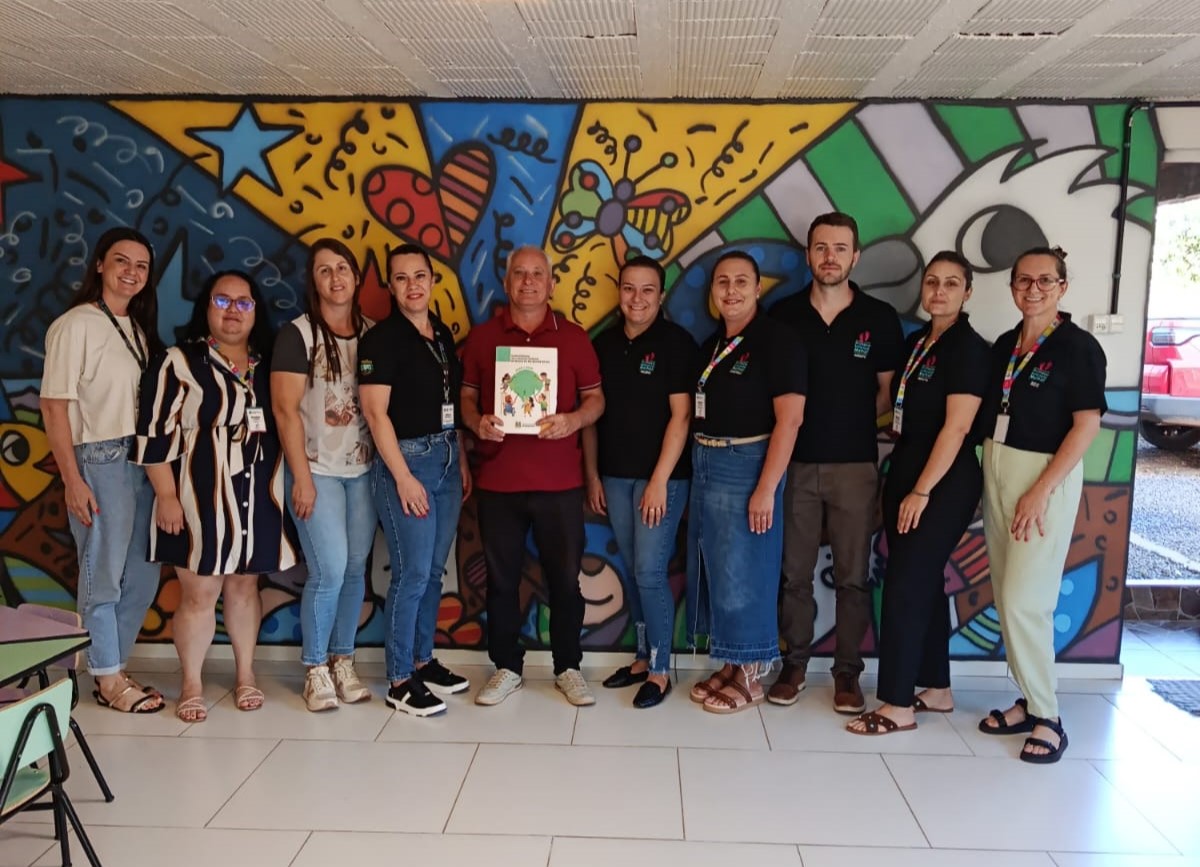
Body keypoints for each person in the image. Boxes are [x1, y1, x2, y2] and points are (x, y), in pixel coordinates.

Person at [135, 270, 296, 722]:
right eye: (222, 301)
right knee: (199, 592)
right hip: (196, 498)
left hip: (258, 497)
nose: (232, 311)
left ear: (255, 311)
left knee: (245, 587)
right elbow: (154, 436)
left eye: (243, 303)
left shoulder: (269, 364)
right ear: (206, 307)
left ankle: (246, 674)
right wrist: (166, 496)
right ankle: (191, 682)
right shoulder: (178, 362)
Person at [847, 252, 989, 735]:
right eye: (932, 282)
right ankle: (937, 688)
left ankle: (897, 703)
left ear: (967, 292)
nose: (939, 291)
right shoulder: (916, 343)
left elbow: (957, 428)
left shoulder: (969, 349)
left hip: (943, 480)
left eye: (951, 283)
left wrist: (922, 490)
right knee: (924, 582)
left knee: (906, 586)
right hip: (907, 466)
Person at [769, 212, 904, 714]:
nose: (830, 257)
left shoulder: (879, 318)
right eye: (821, 248)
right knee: (794, 575)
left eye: (840, 248)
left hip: (855, 466)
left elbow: (888, 394)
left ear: (855, 256)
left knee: (853, 577)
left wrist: (849, 422)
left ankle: (847, 673)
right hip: (795, 466)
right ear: (808, 254)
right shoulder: (782, 316)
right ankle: (794, 665)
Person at [975, 246, 1105, 764]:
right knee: (1006, 594)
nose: (1033, 289)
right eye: (1023, 281)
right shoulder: (1006, 345)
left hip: (1042, 477)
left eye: (1045, 281)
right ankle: (1029, 700)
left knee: (1025, 599)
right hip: (998, 469)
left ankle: (1048, 716)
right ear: (1012, 287)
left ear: (1062, 287)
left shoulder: (1078, 348)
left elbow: (1086, 426)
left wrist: (1042, 489)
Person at [460, 245, 605, 707]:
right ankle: (506, 667)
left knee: (565, 580)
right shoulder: (483, 338)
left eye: (537, 274)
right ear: (506, 284)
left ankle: (568, 667)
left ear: (551, 284)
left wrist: (573, 421)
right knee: (502, 581)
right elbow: (466, 399)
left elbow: (596, 400)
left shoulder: (574, 338)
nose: (528, 281)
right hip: (497, 482)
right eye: (519, 274)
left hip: (559, 483)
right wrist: (476, 422)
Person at [41, 227, 166, 714]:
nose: (131, 272)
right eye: (121, 261)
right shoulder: (76, 324)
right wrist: (73, 480)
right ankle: (109, 681)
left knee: (143, 576)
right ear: (99, 264)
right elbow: (54, 407)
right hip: (99, 457)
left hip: (141, 459)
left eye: (141, 265)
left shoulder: (137, 328)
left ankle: (110, 665)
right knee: (104, 572)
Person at [687, 250, 806, 714]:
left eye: (741, 281)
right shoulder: (712, 345)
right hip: (707, 460)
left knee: (748, 568)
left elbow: (790, 420)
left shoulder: (778, 341)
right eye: (723, 282)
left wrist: (765, 488)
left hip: (748, 463)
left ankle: (753, 674)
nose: (731, 290)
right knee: (721, 568)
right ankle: (734, 662)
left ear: (758, 289)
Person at [359, 243, 472, 717]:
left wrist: (459, 458)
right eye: (402, 278)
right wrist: (403, 478)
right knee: (412, 574)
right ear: (391, 285)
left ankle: (423, 660)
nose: (412, 286)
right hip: (407, 463)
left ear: (432, 280)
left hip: (445, 457)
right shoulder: (381, 340)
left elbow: (449, 402)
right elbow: (375, 413)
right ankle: (400, 678)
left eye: (419, 276)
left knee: (433, 572)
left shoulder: (440, 333)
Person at [582, 256, 698, 709]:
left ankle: (661, 670)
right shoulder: (603, 344)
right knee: (635, 571)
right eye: (629, 288)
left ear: (661, 295)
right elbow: (591, 416)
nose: (637, 298)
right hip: (614, 476)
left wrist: (659, 481)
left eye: (647, 289)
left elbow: (681, 417)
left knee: (650, 571)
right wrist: (592, 475)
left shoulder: (677, 344)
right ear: (619, 292)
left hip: (662, 480)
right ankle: (642, 657)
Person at [271, 239, 376, 713]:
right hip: (317, 472)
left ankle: (343, 660)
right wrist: (301, 478)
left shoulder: (372, 334)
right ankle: (315, 668)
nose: (336, 278)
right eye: (324, 271)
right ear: (313, 282)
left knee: (355, 569)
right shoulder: (298, 335)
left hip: (364, 471)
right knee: (329, 569)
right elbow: (285, 411)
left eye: (342, 268)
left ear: (356, 276)